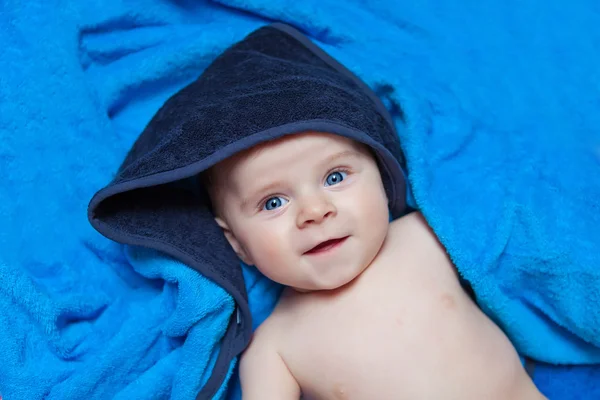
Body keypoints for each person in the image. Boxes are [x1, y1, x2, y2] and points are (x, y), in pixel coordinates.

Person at [203, 130, 547, 399]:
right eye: (273, 202)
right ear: (236, 242)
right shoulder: (273, 348)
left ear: (383, 181)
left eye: (335, 177)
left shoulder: (424, 235)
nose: (315, 211)